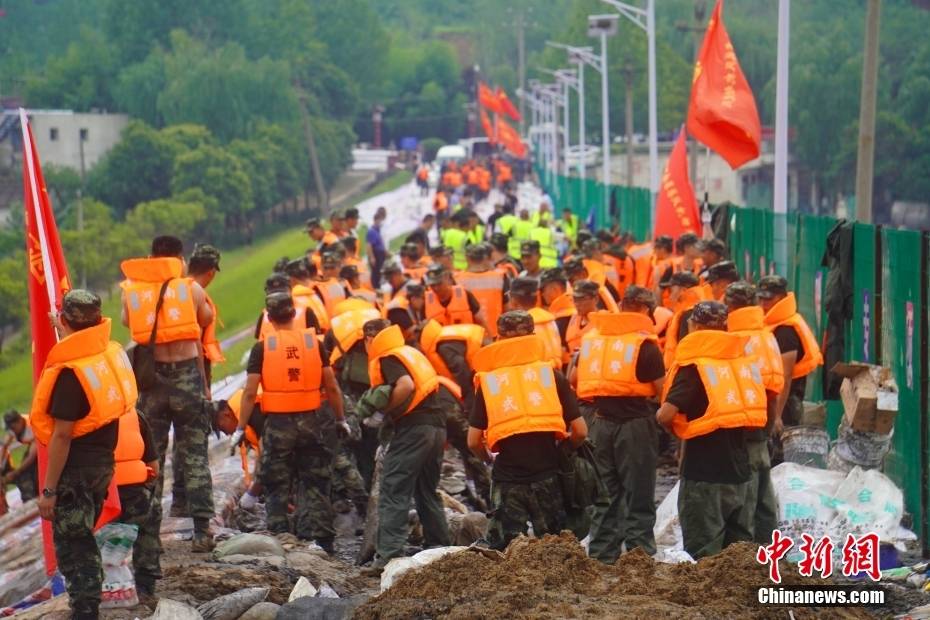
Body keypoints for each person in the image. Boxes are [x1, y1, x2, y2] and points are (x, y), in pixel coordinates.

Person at [32, 290, 132, 619]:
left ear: (65, 320)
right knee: (82, 535)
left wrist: (48, 490)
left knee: (74, 543)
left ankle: (86, 609)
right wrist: (61, 327)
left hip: (75, 470)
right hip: (103, 463)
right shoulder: (105, 354)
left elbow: (62, 435)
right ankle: (86, 605)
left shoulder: (69, 373)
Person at [232, 292, 348, 553]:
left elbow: (250, 393)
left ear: (269, 318)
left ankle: (279, 540)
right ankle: (324, 542)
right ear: (293, 315)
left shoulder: (262, 348)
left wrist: (240, 427)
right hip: (312, 422)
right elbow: (331, 386)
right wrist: (341, 419)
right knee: (317, 482)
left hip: (278, 426)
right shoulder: (314, 344)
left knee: (276, 482)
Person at [121, 236, 216, 552]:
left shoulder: (132, 293)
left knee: (152, 458)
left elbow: (127, 323)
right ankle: (202, 531)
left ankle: (150, 535)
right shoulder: (191, 289)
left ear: (151, 258)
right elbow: (204, 321)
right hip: (187, 378)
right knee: (195, 455)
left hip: (152, 382)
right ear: (180, 259)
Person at [656, 301, 766, 559]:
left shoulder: (694, 365)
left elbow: (666, 414)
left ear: (694, 325)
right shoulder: (742, 361)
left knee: (704, 556)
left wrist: (664, 420)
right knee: (738, 556)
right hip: (740, 473)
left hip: (704, 475)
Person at [468, 311, 587, 550]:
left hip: (507, 479)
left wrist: (489, 460)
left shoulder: (490, 382)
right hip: (547, 475)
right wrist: (563, 450)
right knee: (555, 550)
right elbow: (581, 431)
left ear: (498, 339)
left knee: (504, 552)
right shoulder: (551, 376)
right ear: (533, 336)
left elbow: (472, 441)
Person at [574, 287, 665, 562]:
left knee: (604, 494)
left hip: (599, 423)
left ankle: (602, 555)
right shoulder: (645, 345)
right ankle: (639, 556)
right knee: (639, 492)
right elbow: (662, 391)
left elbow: (574, 376)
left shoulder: (592, 340)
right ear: (646, 310)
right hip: (635, 426)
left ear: (622, 305)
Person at [362, 319, 451, 569]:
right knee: (426, 490)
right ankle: (440, 546)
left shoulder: (388, 357)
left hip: (414, 429)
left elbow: (406, 386)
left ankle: (389, 555)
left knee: (394, 488)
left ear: (370, 339)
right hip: (436, 426)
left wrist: (383, 412)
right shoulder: (411, 352)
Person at [725, 282, 784, 543]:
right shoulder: (767, 335)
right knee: (763, 496)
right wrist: (769, 425)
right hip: (761, 426)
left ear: (731, 306)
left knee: (745, 499)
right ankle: (768, 552)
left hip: (741, 429)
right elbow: (773, 390)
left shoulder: (731, 338)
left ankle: (746, 559)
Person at [758, 275, 824, 438]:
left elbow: (785, 378)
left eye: (769, 298)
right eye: (760, 298)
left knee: (782, 454)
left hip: (786, 404)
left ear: (782, 297)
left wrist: (777, 415)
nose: (763, 303)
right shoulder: (775, 322)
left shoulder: (786, 331)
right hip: (778, 402)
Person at [113, 406, 161, 603]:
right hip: (135, 494)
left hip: (99, 499)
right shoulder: (134, 416)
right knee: (151, 512)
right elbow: (154, 466)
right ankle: (145, 587)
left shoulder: (81, 417)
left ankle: (96, 591)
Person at [507, 277, 564, 368]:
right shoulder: (551, 320)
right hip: (557, 374)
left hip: (539, 377)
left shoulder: (519, 327)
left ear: (514, 301)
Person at [456, 244, 507, 337]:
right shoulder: (500, 277)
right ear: (485, 258)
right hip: (495, 334)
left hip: (470, 335)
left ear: (467, 258)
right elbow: (508, 308)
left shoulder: (457, 279)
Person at [661, 271, 710, 366]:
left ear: (683, 291)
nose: (669, 296)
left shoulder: (688, 315)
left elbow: (686, 350)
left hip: (685, 370)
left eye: (671, 290)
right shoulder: (703, 308)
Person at [424, 266, 488, 330]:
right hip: (441, 339)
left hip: (465, 338)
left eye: (439, 284)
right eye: (432, 285)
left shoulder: (466, 295)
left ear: (447, 278)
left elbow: (481, 321)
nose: (436, 288)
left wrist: (487, 338)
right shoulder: (426, 301)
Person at [2, 410, 38, 504]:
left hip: (42, 448)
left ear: (19, 421)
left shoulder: (33, 427)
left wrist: (16, 472)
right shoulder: (15, 428)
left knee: (27, 472)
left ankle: (31, 498)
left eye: (13, 428)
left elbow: (31, 456)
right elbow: (5, 445)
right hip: (32, 447)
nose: (12, 431)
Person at [565, 280, 602, 359]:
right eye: (575, 299)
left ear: (595, 299)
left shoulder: (603, 322)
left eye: (582, 299)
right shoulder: (574, 318)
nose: (577, 304)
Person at [367, 209, 388, 290]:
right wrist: (372, 257)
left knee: (380, 272)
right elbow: (369, 245)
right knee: (376, 272)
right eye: (379, 220)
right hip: (376, 254)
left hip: (381, 254)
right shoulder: (371, 231)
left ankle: (378, 286)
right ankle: (374, 287)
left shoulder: (378, 230)